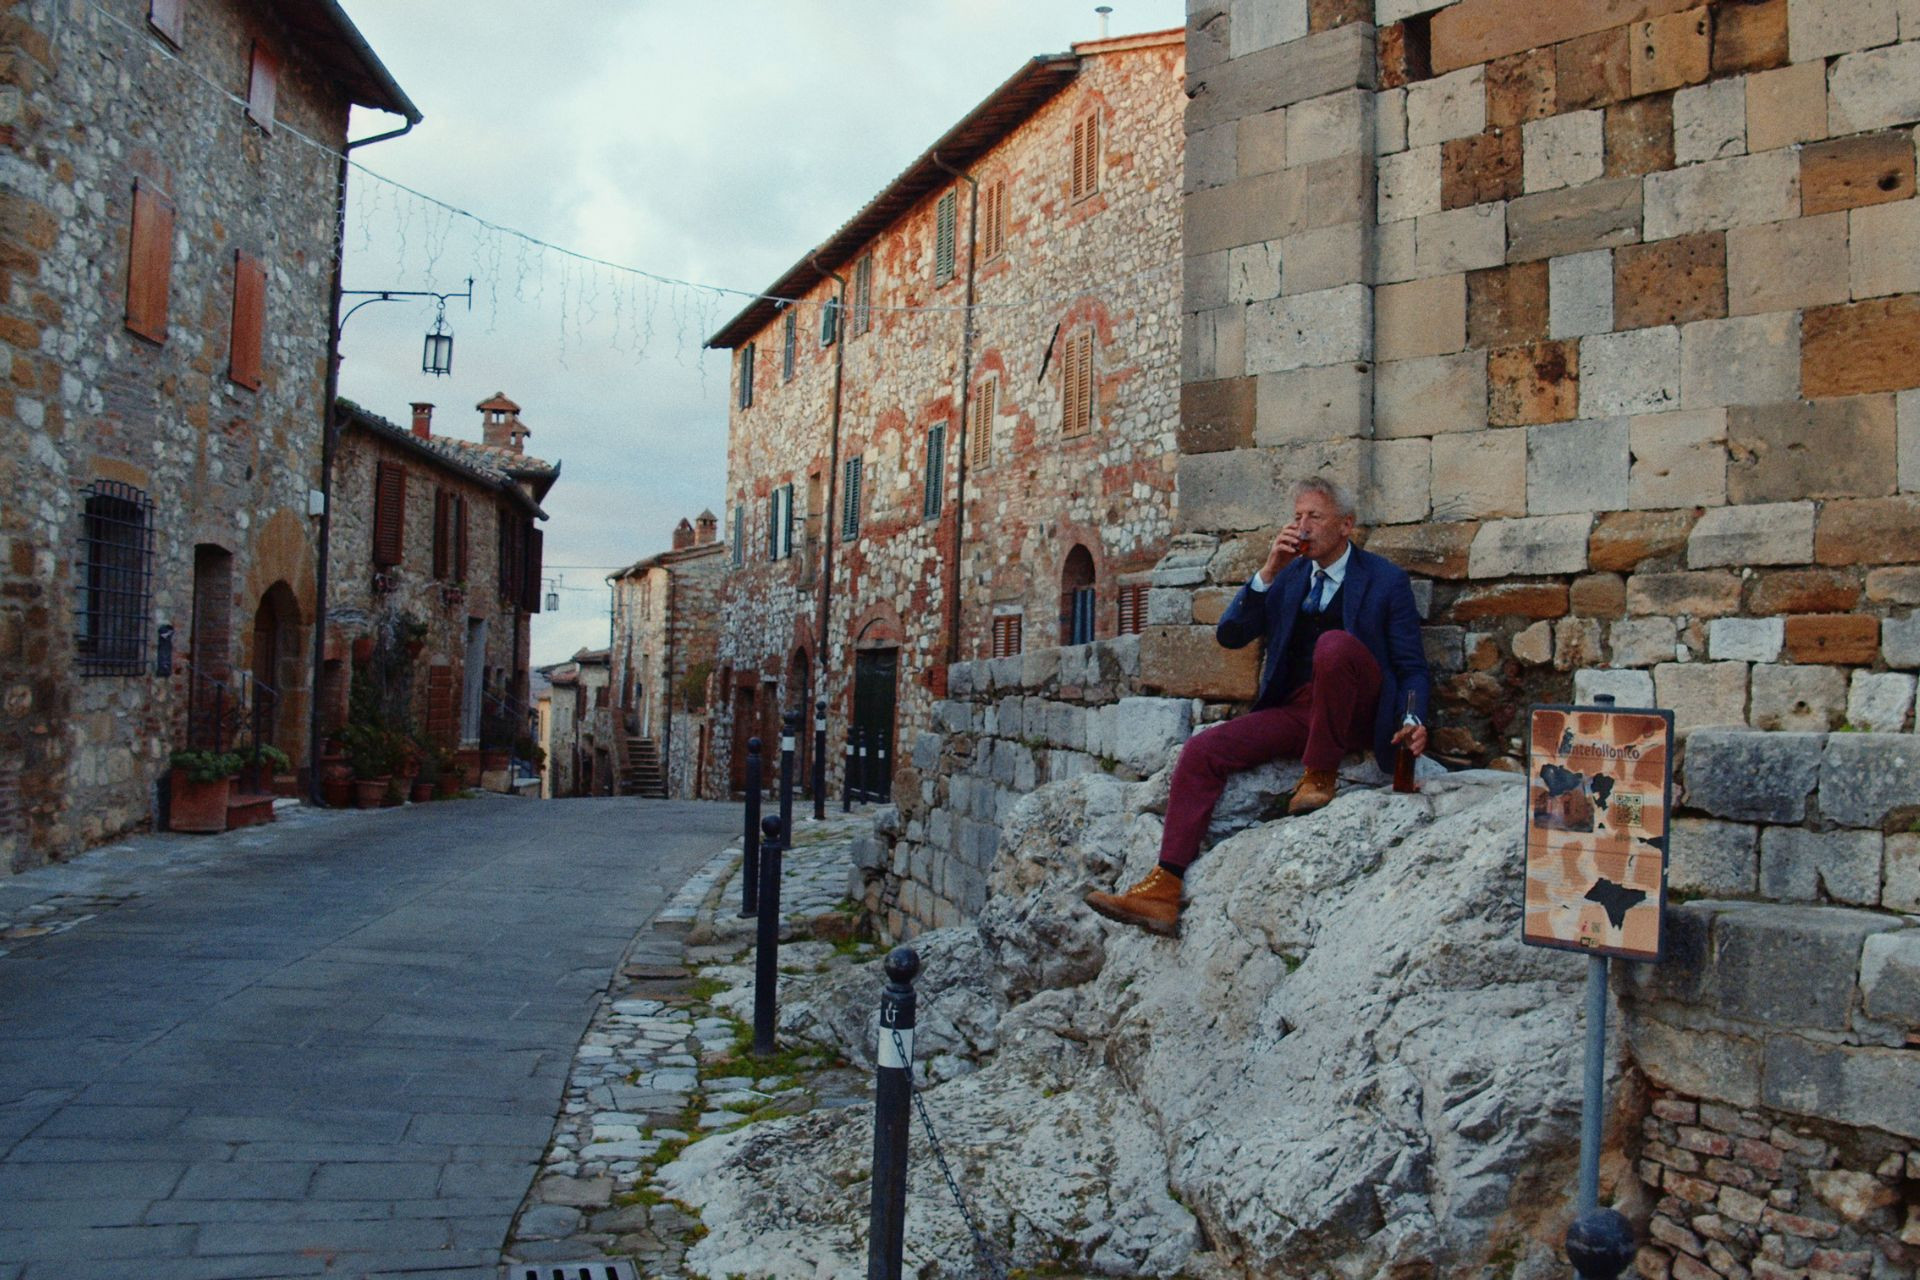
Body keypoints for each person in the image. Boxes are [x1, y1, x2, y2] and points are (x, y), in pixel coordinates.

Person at [1084, 476, 1432, 936]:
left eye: (1315, 517)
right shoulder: (1287, 577)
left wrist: (1412, 718)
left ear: (1346, 525)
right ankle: (1164, 887)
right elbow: (1230, 635)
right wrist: (1268, 572)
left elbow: (1412, 666)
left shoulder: (1385, 579)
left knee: (1333, 645)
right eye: (1298, 516)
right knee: (1202, 751)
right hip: (1298, 711)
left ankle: (1319, 774)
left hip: (1357, 711)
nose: (1303, 527)